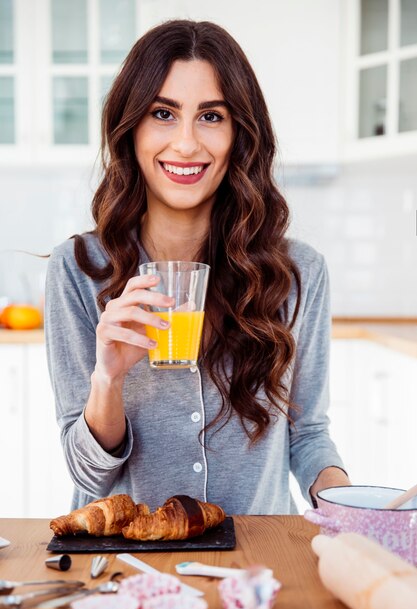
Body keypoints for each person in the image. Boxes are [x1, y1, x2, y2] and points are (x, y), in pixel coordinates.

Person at [45, 19, 350, 515]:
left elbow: (309, 433)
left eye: (211, 117)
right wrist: (109, 378)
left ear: (239, 134)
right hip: (126, 561)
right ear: (132, 129)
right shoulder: (78, 271)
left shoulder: (297, 273)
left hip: (258, 564)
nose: (186, 144)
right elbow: (87, 474)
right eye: (163, 113)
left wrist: (344, 499)